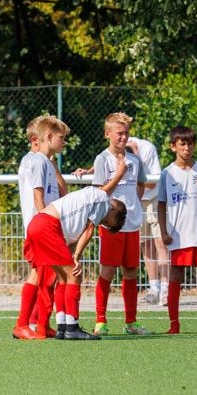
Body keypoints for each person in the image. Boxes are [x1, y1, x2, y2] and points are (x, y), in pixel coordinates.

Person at [23, 153, 129, 340]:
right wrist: (77, 257)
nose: (104, 223)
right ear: (114, 210)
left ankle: (62, 326)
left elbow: (74, 236)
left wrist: (73, 255)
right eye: (108, 222)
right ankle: (72, 327)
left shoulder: (88, 202)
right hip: (47, 226)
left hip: (38, 224)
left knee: (63, 277)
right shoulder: (103, 201)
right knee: (74, 274)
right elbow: (89, 230)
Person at [92, 112, 150, 336]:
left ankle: (131, 322)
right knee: (107, 271)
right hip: (111, 226)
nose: (123, 137)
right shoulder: (102, 159)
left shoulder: (135, 160)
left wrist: (131, 206)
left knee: (131, 272)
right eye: (119, 133)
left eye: (126, 133)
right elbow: (100, 193)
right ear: (107, 134)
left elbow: (141, 185)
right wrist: (118, 174)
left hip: (132, 224)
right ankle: (100, 321)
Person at [13, 116, 69, 340]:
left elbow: (61, 190)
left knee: (48, 276)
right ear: (48, 136)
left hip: (42, 225)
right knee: (37, 274)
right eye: (61, 137)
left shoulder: (44, 161)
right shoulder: (37, 161)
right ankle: (22, 324)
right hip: (41, 226)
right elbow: (38, 198)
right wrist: (47, 225)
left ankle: (40, 324)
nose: (64, 142)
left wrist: (53, 163)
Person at [157, 126, 197, 335]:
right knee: (175, 276)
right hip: (178, 235)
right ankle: (174, 324)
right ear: (173, 147)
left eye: (190, 143)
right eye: (182, 144)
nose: (187, 148)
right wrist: (163, 231)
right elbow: (161, 205)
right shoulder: (167, 173)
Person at [128, 136, 170, 307]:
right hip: (136, 200)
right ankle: (154, 289)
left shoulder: (147, 149)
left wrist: (128, 181)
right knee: (145, 245)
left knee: (160, 243)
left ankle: (166, 290)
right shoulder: (119, 148)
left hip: (153, 199)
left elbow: (152, 183)